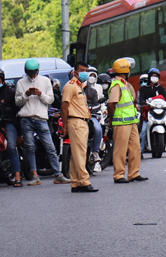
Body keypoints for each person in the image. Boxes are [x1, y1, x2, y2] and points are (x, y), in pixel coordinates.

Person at [14, 59, 70, 185]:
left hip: (41, 118)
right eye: (29, 73)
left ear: (38, 71)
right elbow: (17, 102)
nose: (32, 75)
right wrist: (26, 94)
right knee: (30, 147)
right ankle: (34, 175)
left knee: (49, 146)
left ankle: (58, 173)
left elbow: (49, 100)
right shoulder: (21, 82)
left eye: (34, 72)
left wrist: (40, 94)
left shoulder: (45, 81)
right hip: (26, 117)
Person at [109, 58, 147, 184]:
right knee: (120, 150)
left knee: (136, 148)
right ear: (125, 71)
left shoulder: (125, 84)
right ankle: (118, 175)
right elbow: (111, 104)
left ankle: (133, 173)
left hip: (131, 122)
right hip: (121, 123)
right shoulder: (116, 85)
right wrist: (111, 119)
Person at [62, 62, 98, 193]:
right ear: (75, 72)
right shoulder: (70, 86)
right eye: (82, 70)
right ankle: (84, 181)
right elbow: (64, 106)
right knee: (80, 153)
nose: (85, 73)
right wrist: (64, 125)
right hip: (76, 122)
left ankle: (76, 183)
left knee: (75, 155)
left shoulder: (80, 86)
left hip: (82, 122)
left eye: (86, 70)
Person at [139, 68, 166, 157]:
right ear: (149, 77)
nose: (154, 78)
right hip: (149, 113)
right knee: (143, 131)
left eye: (156, 76)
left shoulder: (160, 88)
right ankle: (140, 151)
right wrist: (143, 103)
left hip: (162, 112)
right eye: (153, 76)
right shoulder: (143, 89)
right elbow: (141, 100)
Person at [83, 67, 105, 165]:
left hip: (91, 116)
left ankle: (95, 152)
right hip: (77, 117)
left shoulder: (94, 91)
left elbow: (96, 105)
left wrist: (90, 109)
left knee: (98, 129)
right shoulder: (74, 89)